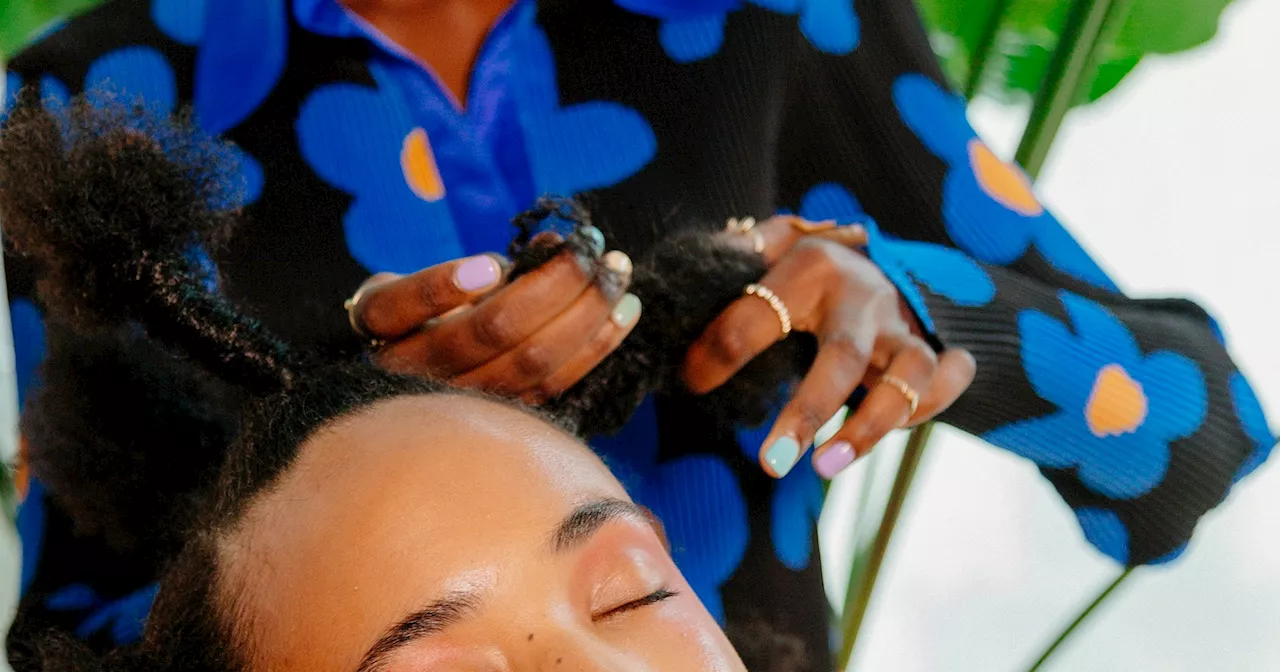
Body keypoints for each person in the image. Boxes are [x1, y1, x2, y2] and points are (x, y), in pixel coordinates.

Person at [1, 0, 1272, 666]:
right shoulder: (71, 114)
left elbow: (1198, 430)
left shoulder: (770, 14)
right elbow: (74, 628)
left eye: (629, 594)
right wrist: (327, 441)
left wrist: (920, 306)